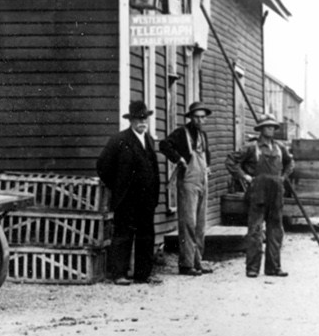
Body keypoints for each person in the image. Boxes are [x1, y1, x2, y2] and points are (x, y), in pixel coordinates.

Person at [96, 100, 162, 285]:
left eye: (145, 119)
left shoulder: (148, 140)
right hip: (127, 199)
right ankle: (119, 274)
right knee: (123, 235)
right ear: (131, 121)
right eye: (138, 119)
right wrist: (118, 186)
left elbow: (154, 168)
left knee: (146, 236)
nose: (142, 123)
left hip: (147, 198)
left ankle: (143, 274)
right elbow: (103, 166)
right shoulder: (119, 140)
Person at [225, 115, 295, 278]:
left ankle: (273, 267)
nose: (271, 129)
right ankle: (252, 268)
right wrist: (245, 177)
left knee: (276, 230)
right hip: (258, 193)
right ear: (261, 129)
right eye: (267, 126)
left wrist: (283, 177)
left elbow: (290, 163)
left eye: (273, 127)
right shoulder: (251, 147)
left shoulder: (279, 147)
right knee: (255, 231)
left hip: (276, 193)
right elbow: (231, 161)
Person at [159, 101, 214, 276]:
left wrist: (209, 167)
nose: (199, 120)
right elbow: (164, 145)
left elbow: (207, 154)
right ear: (190, 117)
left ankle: (198, 261)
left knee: (200, 224)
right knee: (188, 222)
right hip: (188, 181)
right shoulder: (181, 133)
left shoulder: (203, 135)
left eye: (202, 117)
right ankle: (186, 264)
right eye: (196, 117)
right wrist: (178, 159)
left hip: (202, 180)